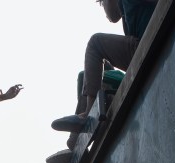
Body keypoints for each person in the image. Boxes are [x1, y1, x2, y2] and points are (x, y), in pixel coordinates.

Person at [51, 0, 158, 139]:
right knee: (87, 74)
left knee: (95, 43)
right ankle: (75, 140)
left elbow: (112, 15)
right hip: (140, 47)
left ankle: (89, 114)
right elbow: (112, 15)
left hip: (148, 41)